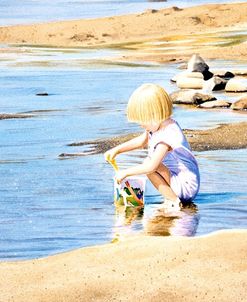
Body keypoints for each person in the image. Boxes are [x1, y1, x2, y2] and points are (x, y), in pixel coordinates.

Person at [104, 83, 200, 210]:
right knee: (149, 163)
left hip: (186, 186)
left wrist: (126, 173)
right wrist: (117, 150)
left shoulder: (168, 134)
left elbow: (152, 166)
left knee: (149, 164)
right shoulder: (157, 125)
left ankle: (174, 201)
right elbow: (141, 141)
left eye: (143, 121)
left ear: (155, 115)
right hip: (174, 179)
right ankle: (171, 198)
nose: (141, 125)